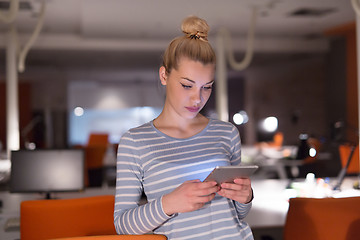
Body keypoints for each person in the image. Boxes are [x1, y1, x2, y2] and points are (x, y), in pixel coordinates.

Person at [114, 15, 254, 240]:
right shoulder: (135, 142)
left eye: (206, 87)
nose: (197, 98)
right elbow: (122, 225)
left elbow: (238, 215)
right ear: (164, 75)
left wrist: (246, 197)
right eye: (187, 85)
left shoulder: (226, 133)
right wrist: (169, 203)